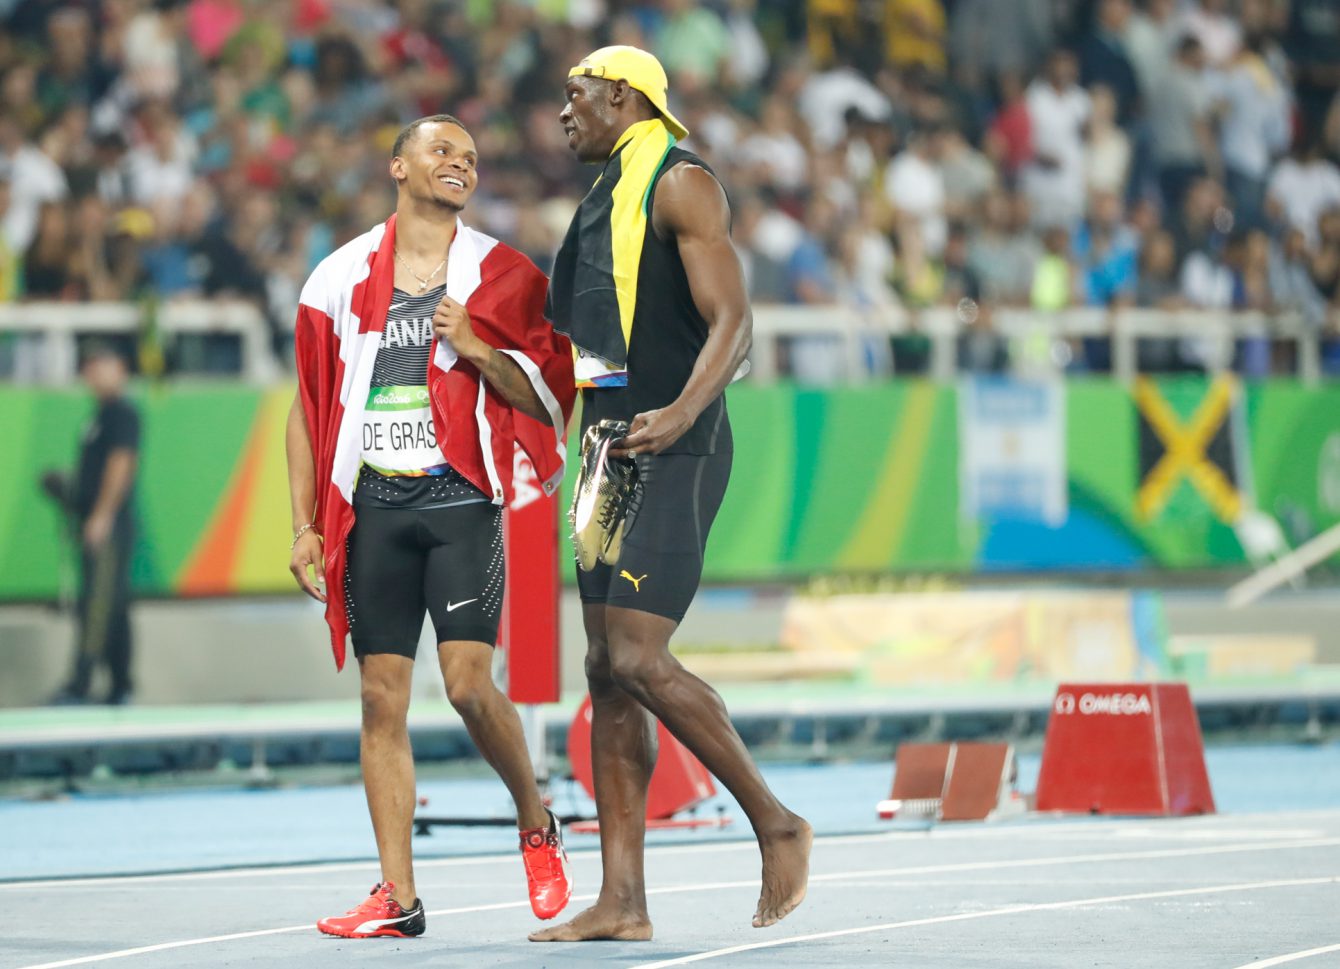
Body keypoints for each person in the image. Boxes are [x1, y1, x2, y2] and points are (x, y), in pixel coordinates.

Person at [531, 46, 811, 944]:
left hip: (675, 442)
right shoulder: (599, 199)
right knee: (603, 669)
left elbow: (735, 321)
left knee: (640, 656)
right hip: (606, 451)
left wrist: (683, 411)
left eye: (576, 95)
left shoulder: (679, 184)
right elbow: (574, 346)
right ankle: (623, 901)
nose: (564, 111)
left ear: (621, 95)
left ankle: (776, 821)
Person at [285, 114, 576, 939]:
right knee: (380, 698)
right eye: (442, 150)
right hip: (374, 507)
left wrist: (477, 346)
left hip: (459, 502)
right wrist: (304, 524)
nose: (460, 163)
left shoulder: (503, 274)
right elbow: (307, 409)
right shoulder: (338, 277)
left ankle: (535, 820)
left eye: (471, 157)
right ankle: (398, 895)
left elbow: (549, 398)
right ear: (398, 167)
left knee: (468, 685)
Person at [45, 343, 140, 705]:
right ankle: (120, 685)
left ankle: (81, 684)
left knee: (97, 605)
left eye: (102, 364)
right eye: (90, 366)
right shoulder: (97, 418)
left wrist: (102, 515)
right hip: (95, 519)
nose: (94, 372)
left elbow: (121, 464)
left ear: (120, 369)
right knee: (112, 604)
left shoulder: (121, 414)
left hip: (108, 525)